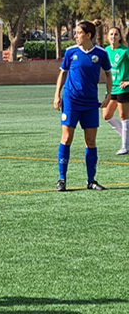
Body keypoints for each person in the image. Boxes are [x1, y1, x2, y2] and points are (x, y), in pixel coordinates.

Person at [53, 20, 112, 192]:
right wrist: (57, 95)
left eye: (78, 33)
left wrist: (109, 96)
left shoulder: (100, 54)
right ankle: (62, 179)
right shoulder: (71, 52)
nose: (75, 35)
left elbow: (108, 75)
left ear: (88, 35)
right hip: (71, 101)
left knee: (91, 141)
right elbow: (62, 73)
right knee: (66, 138)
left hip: (90, 103)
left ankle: (91, 180)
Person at [103, 27, 129, 155]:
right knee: (106, 115)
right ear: (107, 37)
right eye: (111, 34)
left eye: (116, 34)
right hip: (111, 89)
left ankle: (125, 146)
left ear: (120, 37)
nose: (113, 36)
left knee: (124, 116)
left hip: (123, 89)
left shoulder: (125, 51)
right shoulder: (106, 51)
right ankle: (127, 139)